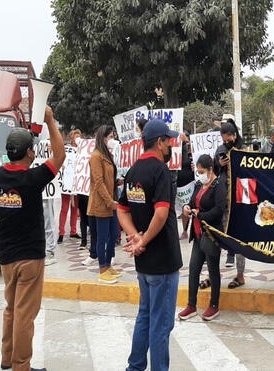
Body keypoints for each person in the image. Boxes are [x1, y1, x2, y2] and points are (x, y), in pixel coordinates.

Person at [0, 106, 64, 371]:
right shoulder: (32, 178)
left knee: (11, 309)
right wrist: (50, 121)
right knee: (25, 315)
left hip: (6, 257)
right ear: (30, 152)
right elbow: (60, 155)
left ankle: (7, 360)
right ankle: (21, 366)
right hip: (30, 258)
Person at [117, 119, 182, 371]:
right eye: (169, 140)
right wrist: (140, 239)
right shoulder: (160, 171)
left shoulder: (133, 171)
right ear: (159, 142)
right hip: (163, 262)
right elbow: (162, 213)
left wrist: (135, 238)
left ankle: (134, 367)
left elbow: (122, 211)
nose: (171, 145)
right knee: (161, 323)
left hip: (143, 261)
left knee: (145, 315)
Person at [178, 154, 226, 321]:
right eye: (198, 171)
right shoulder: (200, 184)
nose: (200, 174)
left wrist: (201, 215)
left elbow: (219, 210)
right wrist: (186, 207)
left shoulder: (218, 185)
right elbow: (192, 202)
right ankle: (191, 305)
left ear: (211, 170)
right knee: (194, 269)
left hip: (211, 234)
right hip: (198, 234)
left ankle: (214, 305)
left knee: (213, 271)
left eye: (202, 171)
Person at [214, 120, 247, 285]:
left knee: (240, 236)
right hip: (224, 199)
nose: (226, 143)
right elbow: (213, 171)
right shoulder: (220, 150)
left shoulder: (243, 148)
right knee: (221, 234)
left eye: (229, 139)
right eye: (224, 140)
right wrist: (219, 165)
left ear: (234, 136)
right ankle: (214, 273)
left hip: (241, 198)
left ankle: (240, 275)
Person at [88, 125, 121, 284]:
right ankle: (102, 269)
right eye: (110, 136)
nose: (112, 139)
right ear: (103, 138)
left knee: (113, 234)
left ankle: (108, 265)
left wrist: (117, 182)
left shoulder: (107, 155)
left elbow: (108, 179)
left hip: (111, 202)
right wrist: (109, 201)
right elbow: (98, 182)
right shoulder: (96, 156)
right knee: (102, 238)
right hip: (101, 204)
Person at [58, 129, 82, 244]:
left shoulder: (82, 150)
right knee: (64, 208)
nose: (77, 139)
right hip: (66, 182)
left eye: (79, 137)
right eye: (75, 137)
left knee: (75, 208)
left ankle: (73, 231)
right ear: (71, 138)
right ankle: (61, 232)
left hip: (77, 183)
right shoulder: (66, 148)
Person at [177, 131, 194, 240]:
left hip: (191, 183)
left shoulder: (194, 151)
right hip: (179, 183)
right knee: (184, 208)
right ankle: (184, 231)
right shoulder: (176, 151)